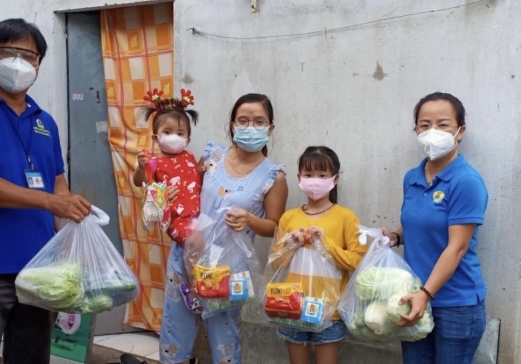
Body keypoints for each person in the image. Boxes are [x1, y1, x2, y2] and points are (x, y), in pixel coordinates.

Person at [0, 18, 91, 364]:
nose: (20, 63)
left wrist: (73, 244)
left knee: (31, 358)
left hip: (40, 272)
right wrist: (50, 201)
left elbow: (58, 187)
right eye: (9, 52)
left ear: (39, 64)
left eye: (30, 56)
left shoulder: (45, 121)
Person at [159, 93, 288, 364]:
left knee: (224, 345)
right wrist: (169, 194)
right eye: (243, 120)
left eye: (258, 121)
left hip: (226, 273)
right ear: (232, 125)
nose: (250, 127)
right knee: (175, 338)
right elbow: (189, 190)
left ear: (270, 128)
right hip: (186, 258)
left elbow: (274, 227)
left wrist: (250, 220)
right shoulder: (212, 156)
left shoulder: (273, 177)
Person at [382, 92, 488, 364]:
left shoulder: (466, 181)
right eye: (425, 125)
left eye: (443, 124)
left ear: (460, 131)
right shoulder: (412, 178)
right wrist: (395, 237)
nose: (433, 131)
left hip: (455, 305)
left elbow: (458, 246)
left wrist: (425, 294)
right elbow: (420, 224)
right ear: (416, 130)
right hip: (414, 297)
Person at [270, 146, 366, 364]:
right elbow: (276, 264)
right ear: (299, 177)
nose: (315, 181)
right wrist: (290, 243)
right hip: (291, 306)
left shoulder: (346, 218)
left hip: (330, 311)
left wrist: (326, 244)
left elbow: (357, 262)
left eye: (322, 175)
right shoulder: (288, 218)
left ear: (335, 178)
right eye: (309, 174)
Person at [133, 88, 203, 314]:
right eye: (168, 131)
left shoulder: (190, 157)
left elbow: (199, 176)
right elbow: (140, 183)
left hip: (198, 214)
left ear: (188, 139)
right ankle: (192, 290)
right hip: (177, 218)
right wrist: (141, 166)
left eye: (181, 133)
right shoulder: (154, 163)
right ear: (156, 137)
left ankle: (203, 283)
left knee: (205, 245)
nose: (175, 136)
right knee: (194, 243)